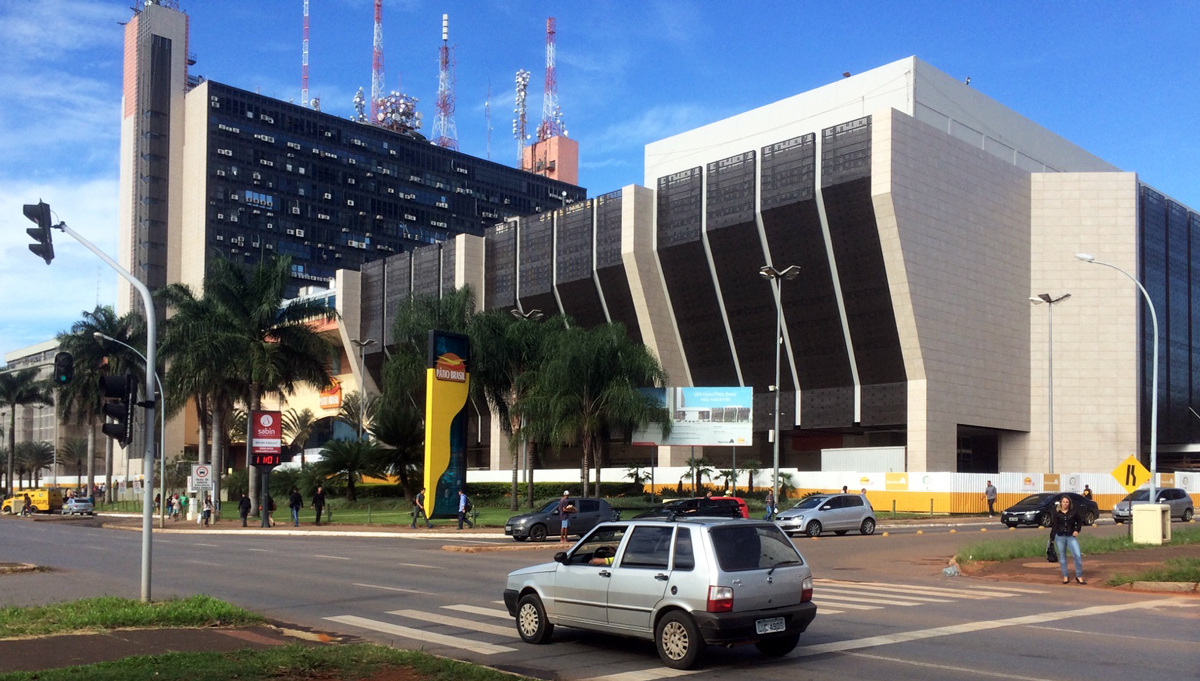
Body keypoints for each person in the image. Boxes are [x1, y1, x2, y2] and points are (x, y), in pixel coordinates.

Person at [1051, 495, 1085, 584]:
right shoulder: (1057, 513)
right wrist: (1052, 538)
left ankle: (1079, 576)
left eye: (1067, 502)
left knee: (1077, 555)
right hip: (1060, 536)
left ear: (1069, 503)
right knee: (1062, 556)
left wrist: (1077, 530)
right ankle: (1065, 576)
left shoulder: (1073, 512)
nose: (1065, 504)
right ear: (1061, 503)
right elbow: (1054, 526)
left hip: (1071, 536)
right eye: (1063, 502)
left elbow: (1079, 522)